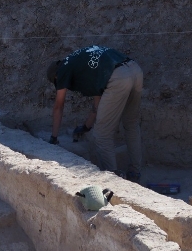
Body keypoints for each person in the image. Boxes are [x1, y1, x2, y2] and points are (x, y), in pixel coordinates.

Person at [46, 45, 143, 182]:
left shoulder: (62, 70)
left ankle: (113, 181)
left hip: (118, 77)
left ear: (56, 77)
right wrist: (86, 127)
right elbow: (97, 105)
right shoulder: (80, 63)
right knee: (131, 124)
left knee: (102, 135)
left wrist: (53, 138)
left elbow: (58, 106)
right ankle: (135, 173)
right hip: (135, 70)